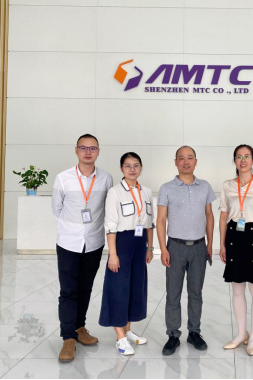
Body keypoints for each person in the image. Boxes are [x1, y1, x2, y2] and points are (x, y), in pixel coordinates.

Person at [52, 134, 113, 363]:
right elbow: (57, 210)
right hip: (68, 243)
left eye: (92, 148)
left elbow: (108, 209)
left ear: (98, 151)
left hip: (94, 242)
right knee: (68, 291)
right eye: (83, 148)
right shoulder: (63, 178)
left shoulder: (106, 178)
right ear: (76, 150)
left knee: (86, 288)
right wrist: (72, 228)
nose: (88, 152)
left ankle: (79, 328)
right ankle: (68, 338)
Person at [157, 146, 217, 356]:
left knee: (195, 292)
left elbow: (209, 215)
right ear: (175, 162)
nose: (186, 162)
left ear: (195, 161)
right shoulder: (166, 188)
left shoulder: (205, 186)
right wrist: (163, 248)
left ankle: (194, 332)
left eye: (190, 158)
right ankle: (173, 334)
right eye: (181, 158)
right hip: (175, 247)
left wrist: (210, 244)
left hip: (199, 246)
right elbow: (161, 220)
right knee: (173, 293)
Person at [220, 145, 253, 357]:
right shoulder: (227, 185)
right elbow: (223, 216)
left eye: (247, 156)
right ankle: (241, 333)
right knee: (237, 289)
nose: (243, 160)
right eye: (239, 157)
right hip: (234, 236)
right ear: (234, 160)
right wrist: (222, 244)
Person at [99, 152, 154, 356]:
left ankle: (128, 330)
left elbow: (149, 223)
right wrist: (112, 254)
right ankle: (120, 337)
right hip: (121, 243)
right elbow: (110, 224)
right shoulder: (114, 192)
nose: (132, 169)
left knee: (135, 288)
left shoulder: (146, 191)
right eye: (128, 166)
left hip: (140, 244)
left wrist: (150, 247)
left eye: (136, 165)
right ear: (121, 168)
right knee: (118, 289)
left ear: (141, 168)